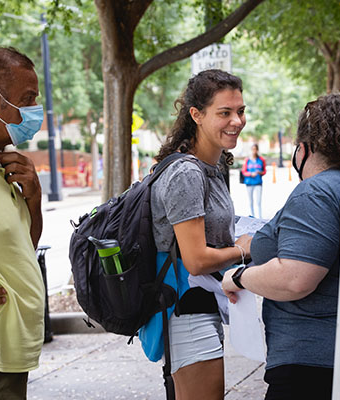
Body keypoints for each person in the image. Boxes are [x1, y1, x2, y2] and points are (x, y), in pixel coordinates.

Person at [222, 93, 340, 400]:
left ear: (305, 147)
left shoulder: (316, 192)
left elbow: (295, 278)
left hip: (318, 366)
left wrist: (237, 278)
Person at [139, 69, 251, 400]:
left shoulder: (212, 168)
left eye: (241, 111)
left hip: (200, 303)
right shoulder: (187, 172)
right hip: (185, 309)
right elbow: (197, 258)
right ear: (196, 115)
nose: (237, 121)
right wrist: (243, 250)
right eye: (225, 113)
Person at [0, 47, 45, 399]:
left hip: (13, 354)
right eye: (26, 100)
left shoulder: (7, 167)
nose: (33, 112)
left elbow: (25, 248)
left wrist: (34, 199)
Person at [241, 143, 266, 218]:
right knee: (250, 201)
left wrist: (259, 172)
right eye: (253, 149)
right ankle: (252, 216)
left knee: (258, 201)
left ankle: (260, 217)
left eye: (255, 149)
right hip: (249, 183)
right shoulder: (247, 160)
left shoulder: (261, 160)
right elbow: (244, 171)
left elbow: (264, 171)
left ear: (257, 150)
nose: (254, 151)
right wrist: (250, 174)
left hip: (258, 182)